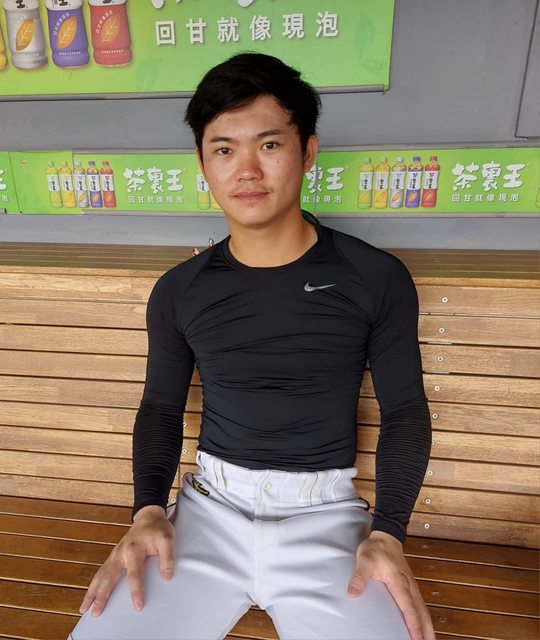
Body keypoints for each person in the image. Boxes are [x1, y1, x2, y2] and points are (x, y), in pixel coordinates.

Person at [68, 52, 434, 640]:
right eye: (223, 149)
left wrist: (389, 532)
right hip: (207, 514)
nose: (247, 170)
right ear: (202, 163)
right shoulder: (179, 290)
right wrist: (148, 510)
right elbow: (160, 408)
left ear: (307, 151)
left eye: (268, 144)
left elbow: (406, 413)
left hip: (327, 519)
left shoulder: (375, 277)